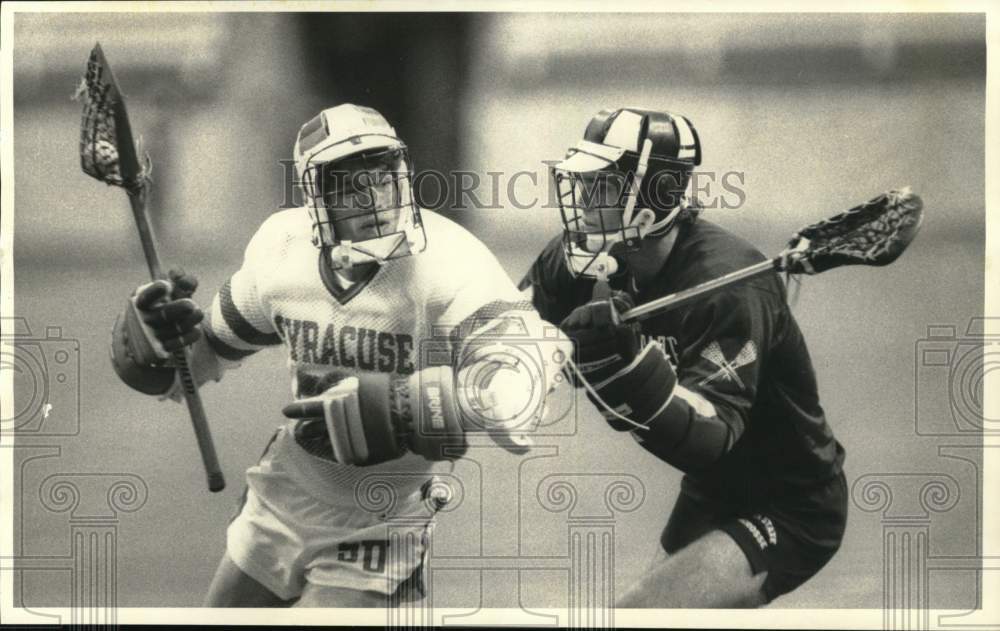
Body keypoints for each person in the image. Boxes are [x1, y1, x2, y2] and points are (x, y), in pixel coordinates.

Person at [110, 104, 569, 607]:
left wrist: (415, 406)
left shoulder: (450, 262)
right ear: (315, 197)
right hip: (284, 492)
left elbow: (521, 394)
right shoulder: (282, 251)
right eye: (349, 183)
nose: (372, 196)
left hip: (382, 516)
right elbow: (193, 368)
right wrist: (158, 340)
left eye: (382, 175)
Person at [519, 107, 848, 607]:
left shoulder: (729, 288)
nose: (583, 201)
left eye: (602, 187)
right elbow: (507, 333)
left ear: (653, 202)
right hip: (711, 492)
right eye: (584, 184)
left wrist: (623, 371)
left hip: (790, 505)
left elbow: (709, 438)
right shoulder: (580, 258)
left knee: (636, 616)